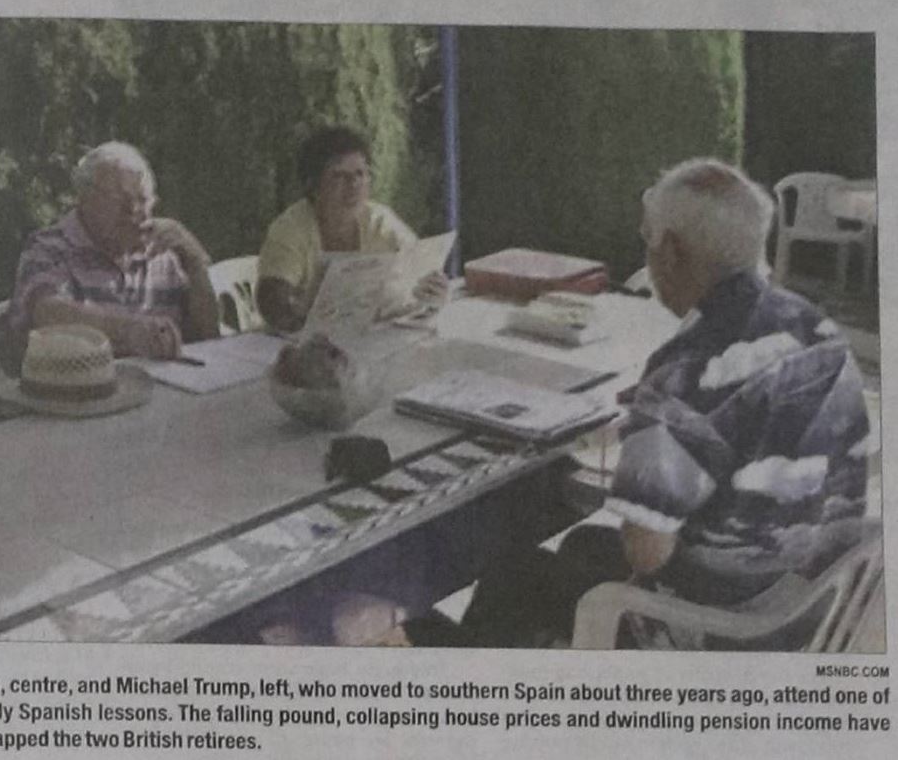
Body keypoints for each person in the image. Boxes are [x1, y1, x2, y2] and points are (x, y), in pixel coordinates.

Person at [455, 158, 871, 649]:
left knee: (511, 574)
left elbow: (646, 552)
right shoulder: (817, 328)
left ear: (671, 251)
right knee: (582, 545)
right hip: (811, 605)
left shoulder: (685, 369)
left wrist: (653, 434)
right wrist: (665, 431)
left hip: (724, 631)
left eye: (648, 242)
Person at [6, 141, 220, 362]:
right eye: (120, 200)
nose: (134, 210)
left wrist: (195, 261)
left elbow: (208, 335)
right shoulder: (50, 247)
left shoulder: (163, 251)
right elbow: (47, 313)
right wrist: (128, 329)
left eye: (143, 199)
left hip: (165, 382)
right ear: (84, 199)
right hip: (83, 380)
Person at [256, 126, 447, 332]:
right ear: (313, 185)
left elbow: (420, 266)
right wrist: (302, 312)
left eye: (360, 173)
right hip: (300, 341)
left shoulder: (380, 221)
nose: (354, 184)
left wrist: (434, 290)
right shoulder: (290, 229)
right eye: (339, 175)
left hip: (368, 337)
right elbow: (273, 302)